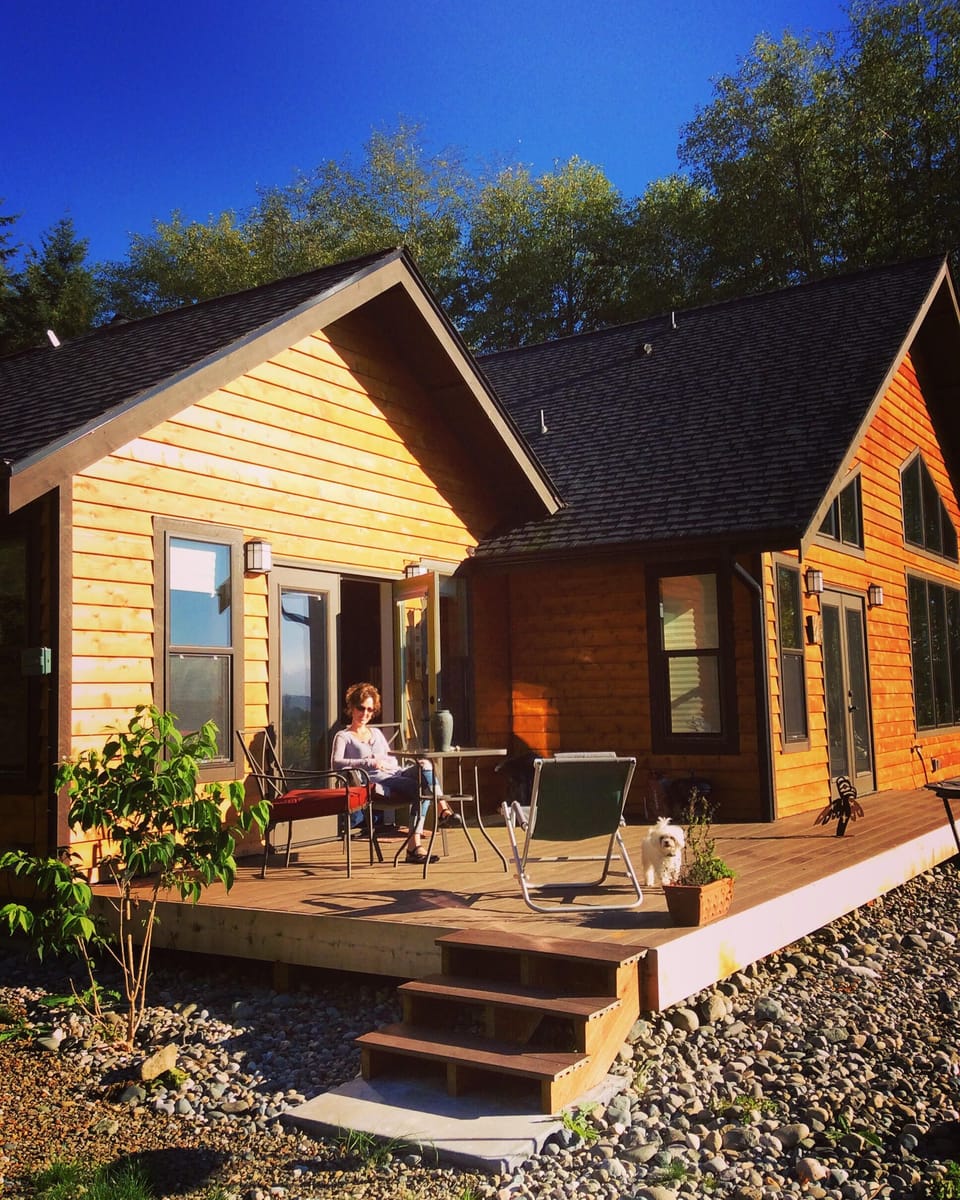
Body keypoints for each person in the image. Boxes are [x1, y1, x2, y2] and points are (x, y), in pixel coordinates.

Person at [330, 682, 460, 864]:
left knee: (425, 763)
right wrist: (371, 762)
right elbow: (336, 763)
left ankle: (441, 810)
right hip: (377, 781)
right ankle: (420, 839)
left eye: (370, 709)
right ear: (351, 707)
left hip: (396, 773)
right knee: (420, 789)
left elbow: (391, 758)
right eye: (361, 708)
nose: (365, 713)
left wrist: (389, 763)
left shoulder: (376, 732)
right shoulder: (344, 736)